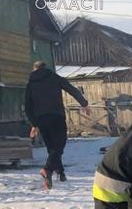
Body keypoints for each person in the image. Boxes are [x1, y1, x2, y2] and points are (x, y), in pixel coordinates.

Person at [25, 61, 89, 189]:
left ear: (35, 69)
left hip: (41, 119)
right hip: (57, 116)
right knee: (59, 145)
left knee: (51, 147)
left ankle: (60, 172)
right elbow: (71, 89)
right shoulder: (54, 78)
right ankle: (48, 170)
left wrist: (34, 124)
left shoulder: (31, 83)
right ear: (45, 68)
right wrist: (84, 104)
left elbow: (28, 106)